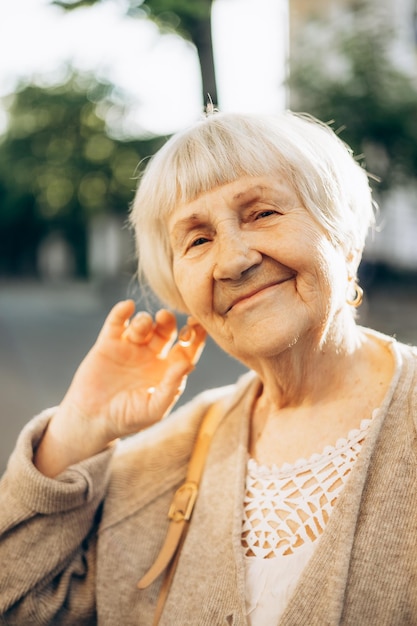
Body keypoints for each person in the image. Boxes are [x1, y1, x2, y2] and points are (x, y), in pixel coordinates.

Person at [0, 110, 416, 626]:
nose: (233, 261)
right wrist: (77, 428)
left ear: (344, 235)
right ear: (181, 290)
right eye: (197, 240)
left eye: (262, 213)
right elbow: (19, 606)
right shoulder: (158, 460)